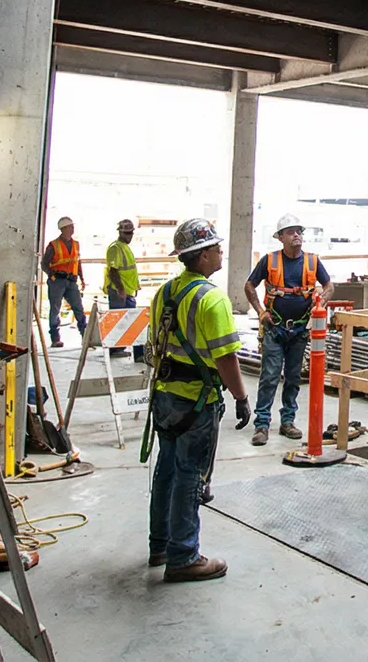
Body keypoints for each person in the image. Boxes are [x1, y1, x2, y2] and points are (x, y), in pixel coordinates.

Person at [144, 218, 251, 582]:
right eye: (217, 248)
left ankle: (159, 544)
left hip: (165, 398)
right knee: (189, 476)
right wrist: (240, 396)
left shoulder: (165, 293)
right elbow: (226, 358)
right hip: (195, 401)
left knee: (167, 470)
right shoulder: (211, 298)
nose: (222, 252)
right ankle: (183, 556)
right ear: (203, 255)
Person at [242, 214, 331, 446]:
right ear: (280, 237)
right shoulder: (269, 261)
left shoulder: (312, 261)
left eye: (298, 231)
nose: (296, 236)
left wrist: (320, 303)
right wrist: (261, 312)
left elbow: (329, 285)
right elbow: (249, 285)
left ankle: (288, 421)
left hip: (299, 329)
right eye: (290, 232)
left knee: (293, 377)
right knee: (270, 376)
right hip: (275, 327)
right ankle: (262, 424)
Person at [43, 216, 85, 348]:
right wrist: (52, 275)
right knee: (55, 309)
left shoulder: (76, 244)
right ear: (63, 229)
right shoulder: (53, 245)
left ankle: (86, 336)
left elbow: (77, 263)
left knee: (78, 308)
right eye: (70, 226)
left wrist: (81, 278)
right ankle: (55, 338)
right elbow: (44, 264)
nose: (73, 228)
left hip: (71, 281)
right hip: (57, 281)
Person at [105, 218, 141, 360]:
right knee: (119, 321)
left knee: (127, 321)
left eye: (131, 233)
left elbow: (129, 270)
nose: (129, 236)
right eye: (127, 233)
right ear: (120, 233)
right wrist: (120, 288)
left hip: (127, 291)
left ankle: (119, 348)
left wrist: (135, 285)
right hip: (119, 291)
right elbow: (113, 271)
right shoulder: (116, 248)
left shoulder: (125, 247)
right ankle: (115, 349)